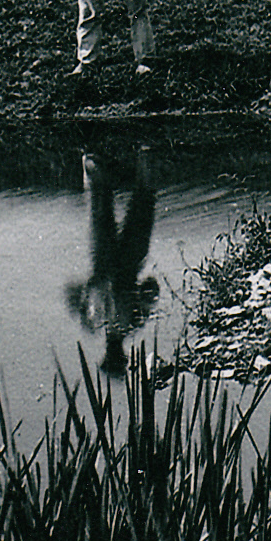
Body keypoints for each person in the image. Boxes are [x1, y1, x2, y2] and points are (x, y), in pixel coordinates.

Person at [64, 147, 160, 376]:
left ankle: (113, 162)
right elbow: (150, 290)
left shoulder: (103, 321)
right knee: (117, 208)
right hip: (117, 264)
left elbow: (150, 289)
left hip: (117, 264)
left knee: (125, 208)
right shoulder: (96, 321)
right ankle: (105, 162)